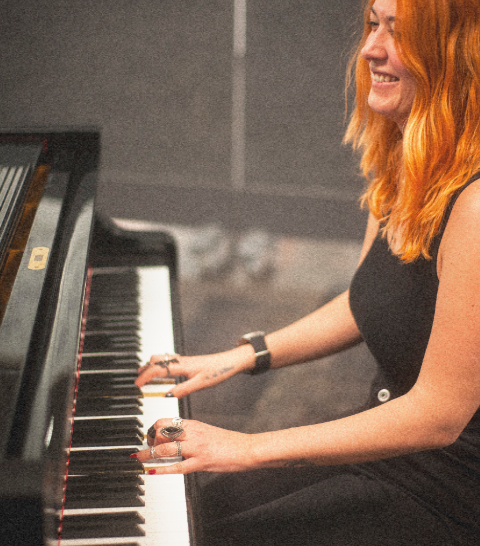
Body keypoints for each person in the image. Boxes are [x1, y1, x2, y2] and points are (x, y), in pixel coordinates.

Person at [131, 0, 480, 543]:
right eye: (372, 24)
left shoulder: (476, 203)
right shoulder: (406, 155)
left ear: (459, 53)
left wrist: (247, 448)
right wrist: (244, 355)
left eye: (400, 33)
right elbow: (369, 297)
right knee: (197, 506)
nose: (370, 49)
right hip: (388, 443)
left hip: (450, 489)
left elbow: (440, 414)